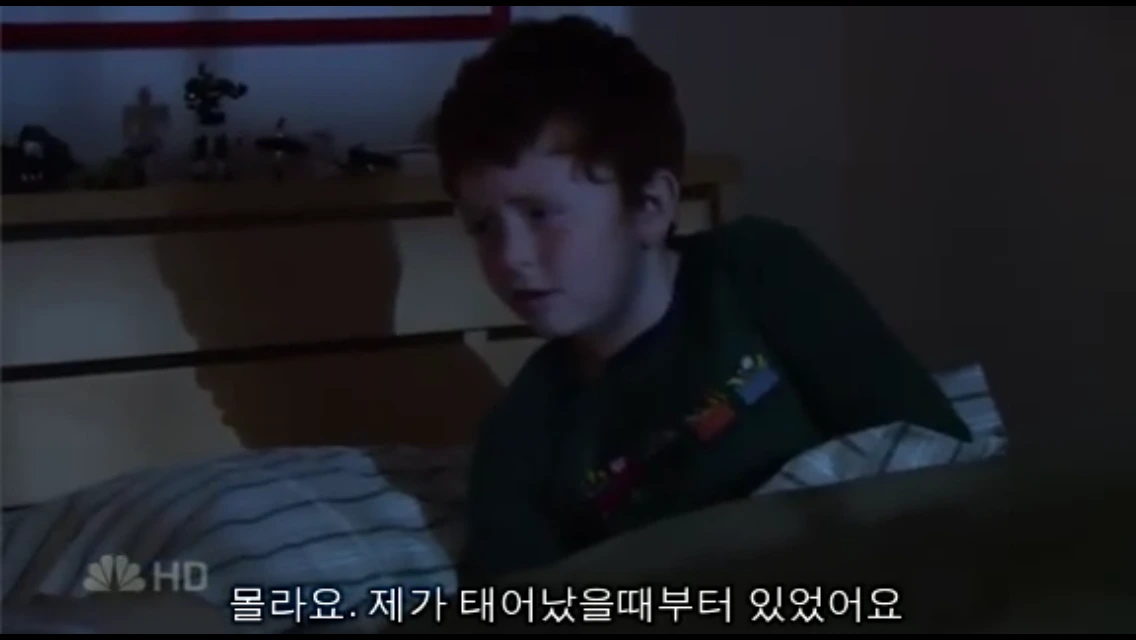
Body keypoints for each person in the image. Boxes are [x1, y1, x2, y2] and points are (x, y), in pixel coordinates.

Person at [434, 15, 971, 584]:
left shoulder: (757, 270)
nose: (510, 256)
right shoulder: (522, 438)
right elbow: (516, 610)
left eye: (541, 214)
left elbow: (928, 452)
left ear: (650, 206)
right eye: (483, 226)